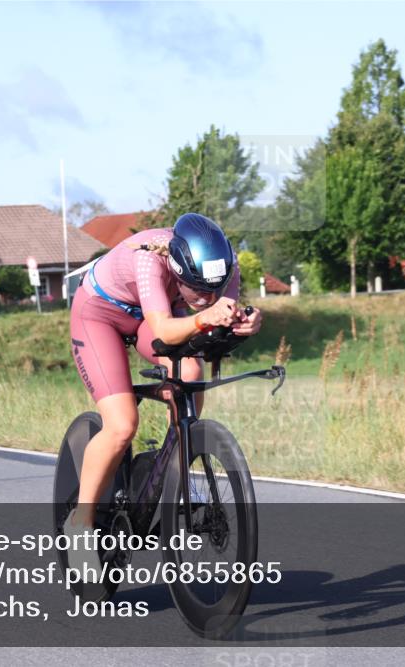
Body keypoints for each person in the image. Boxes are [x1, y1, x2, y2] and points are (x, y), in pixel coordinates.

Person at [65, 213, 263, 539]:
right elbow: (165, 330)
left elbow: (219, 320)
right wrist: (204, 317)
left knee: (191, 370)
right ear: (177, 269)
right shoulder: (149, 259)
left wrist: (246, 323)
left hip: (150, 315)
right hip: (100, 314)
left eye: (213, 291)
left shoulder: (226, 264)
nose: (207, 300)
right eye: (198, 292)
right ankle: (80, 524)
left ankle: (173, 472)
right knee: (122, 425)